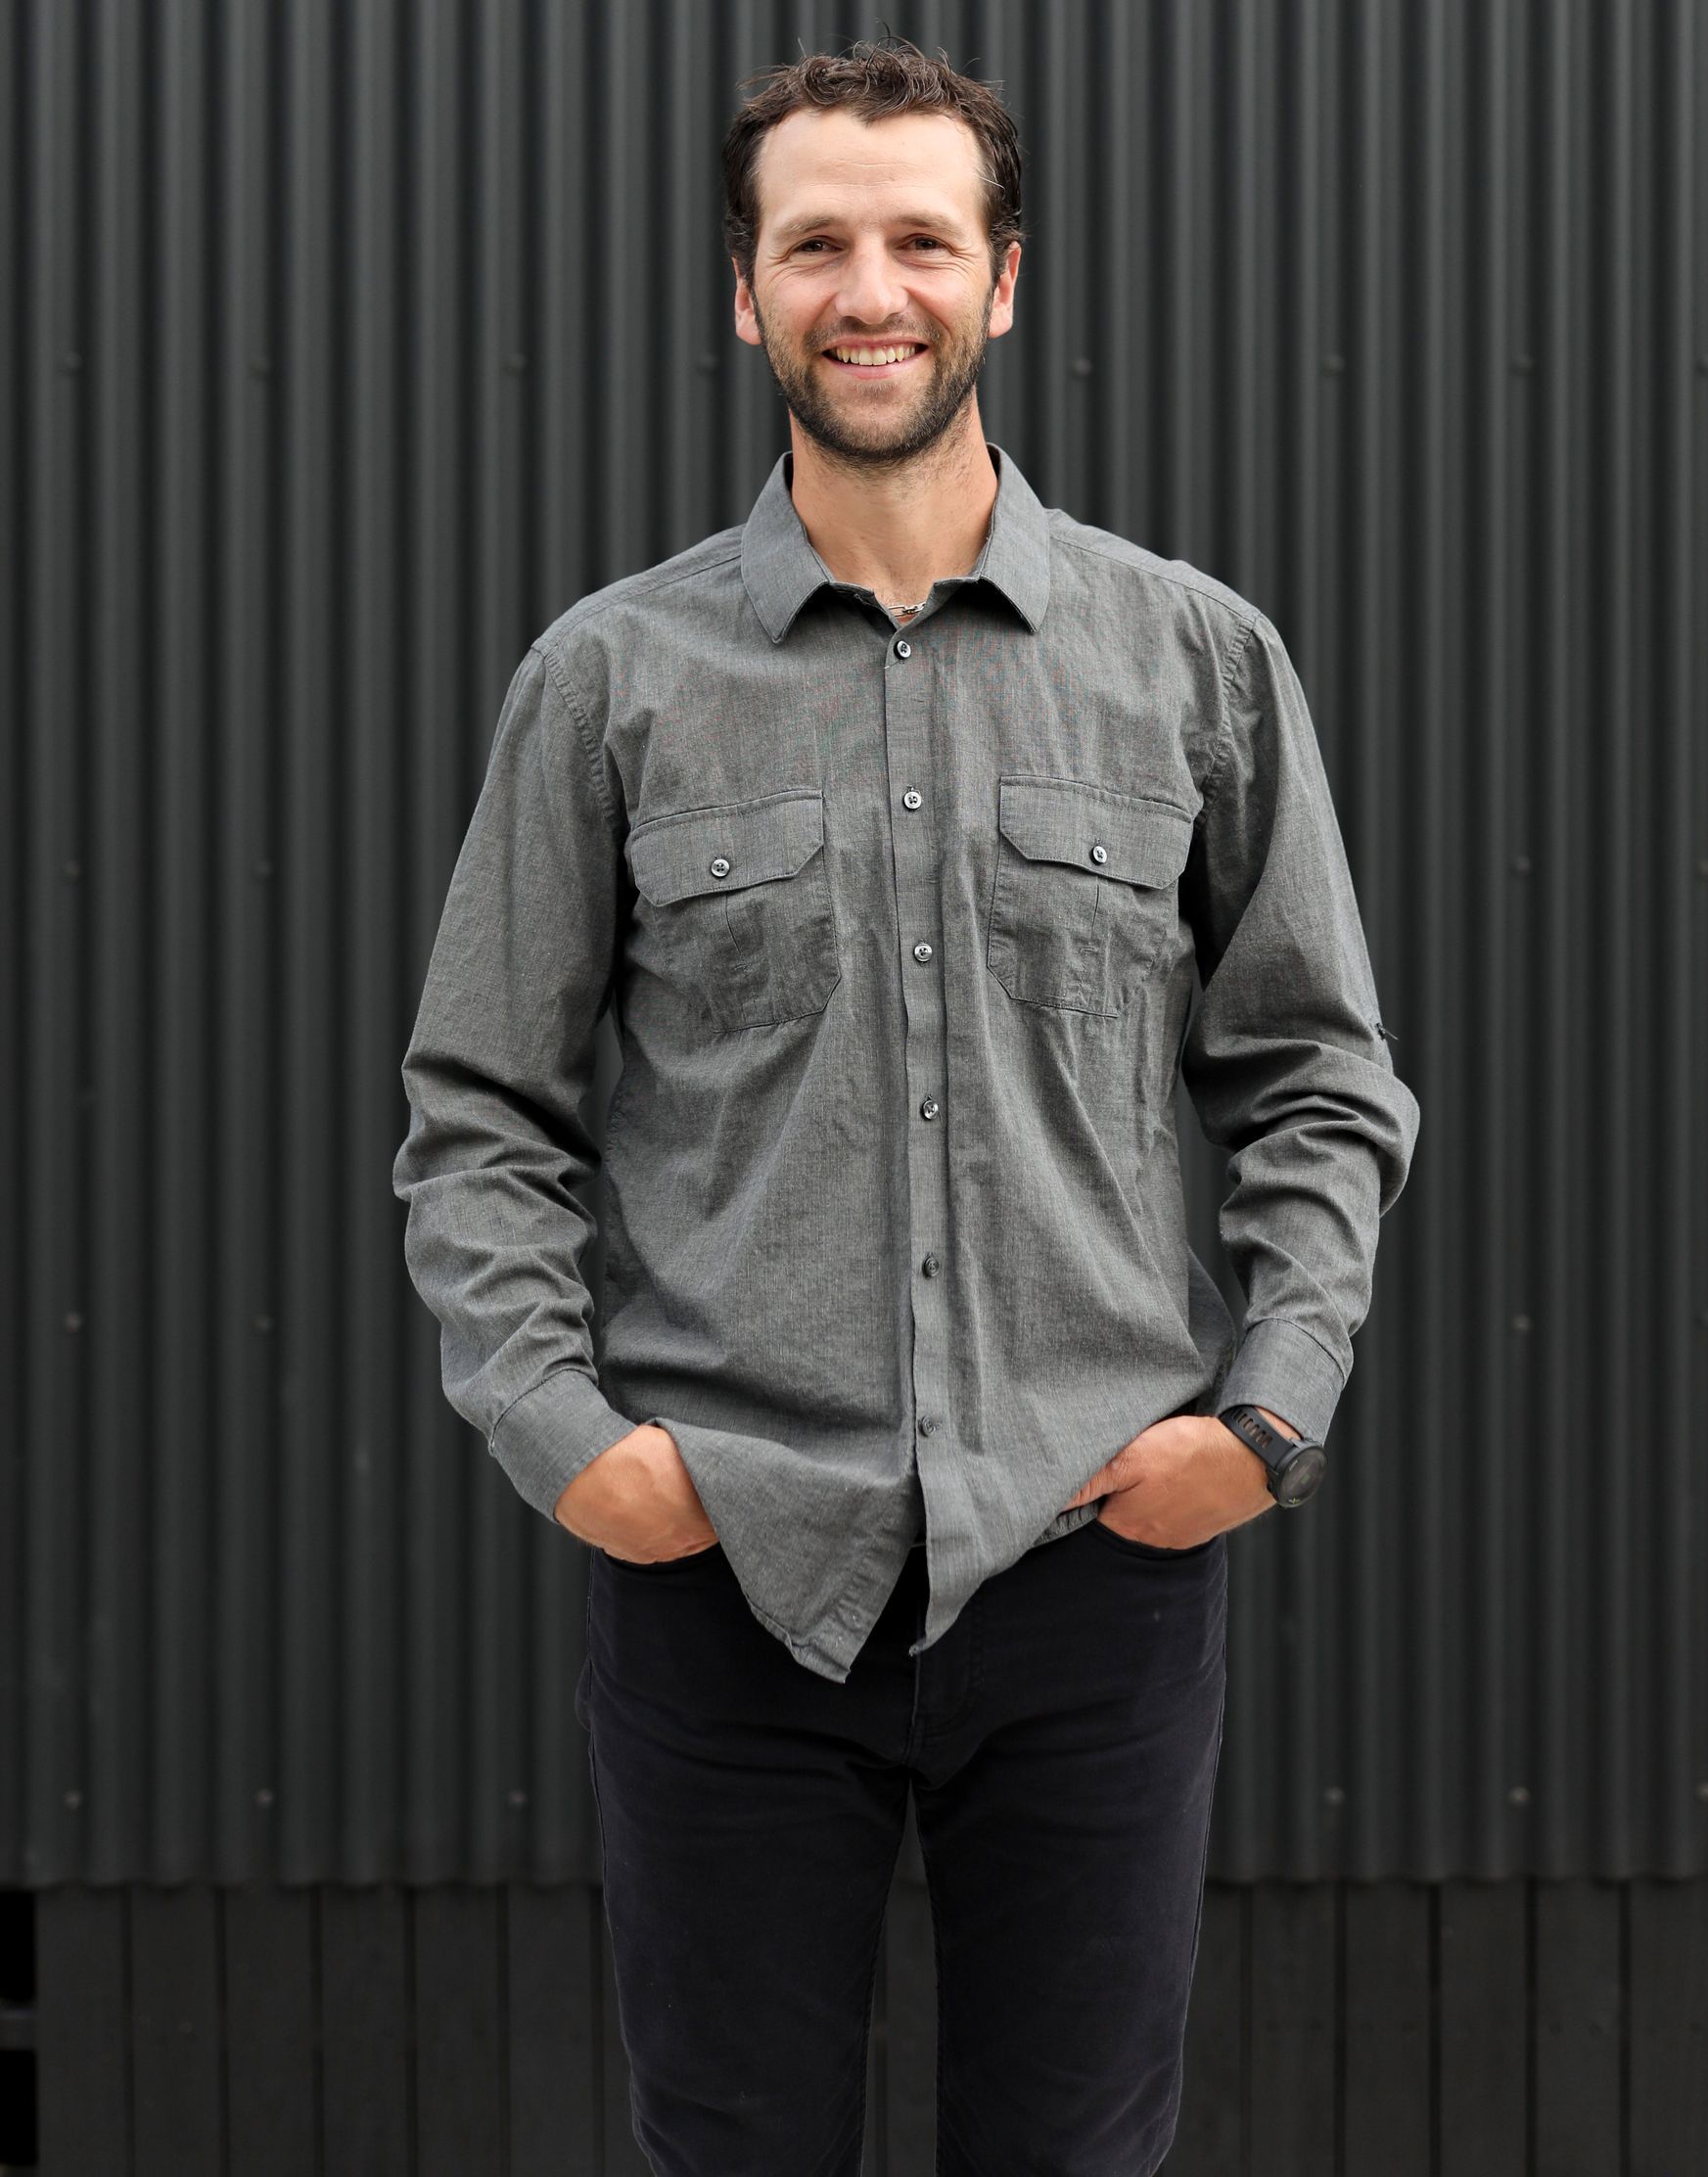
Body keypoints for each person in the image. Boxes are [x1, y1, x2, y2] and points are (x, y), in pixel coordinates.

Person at [392, 33, 1420, 2176]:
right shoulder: (611, 681)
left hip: (1092, 1557)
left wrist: (1265, 1415)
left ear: (1004, 280)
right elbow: (481, 1104)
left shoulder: (1192, 659)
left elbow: (1318, 1073)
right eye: (819, 244)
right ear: (743, 295)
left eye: (921, 239)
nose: (875, 287)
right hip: (725, 1571)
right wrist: (575, 1447)